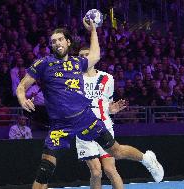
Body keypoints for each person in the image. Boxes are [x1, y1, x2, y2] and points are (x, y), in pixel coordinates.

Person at [17, 18, 164, 189]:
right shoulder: (43, 64)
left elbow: (95, 55)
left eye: (60, 39)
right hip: (59, 126)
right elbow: (22, 86)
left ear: (68, 42)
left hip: (85, 119)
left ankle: (147, 159)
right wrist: (22, 99)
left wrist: (93, 30)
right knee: (45, 171)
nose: (57, 43)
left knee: (116, 151)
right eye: (53, 41)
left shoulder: (77, 63)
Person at [76, 47, 125, 189]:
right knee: (96, 172)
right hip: (83, 130)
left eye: (87, 54)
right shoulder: (74, 79)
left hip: (105, 127)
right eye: (81, 56)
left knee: (110, 170)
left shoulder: (107, 78)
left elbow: (108, 104)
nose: (85, 57)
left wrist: (112, 110)